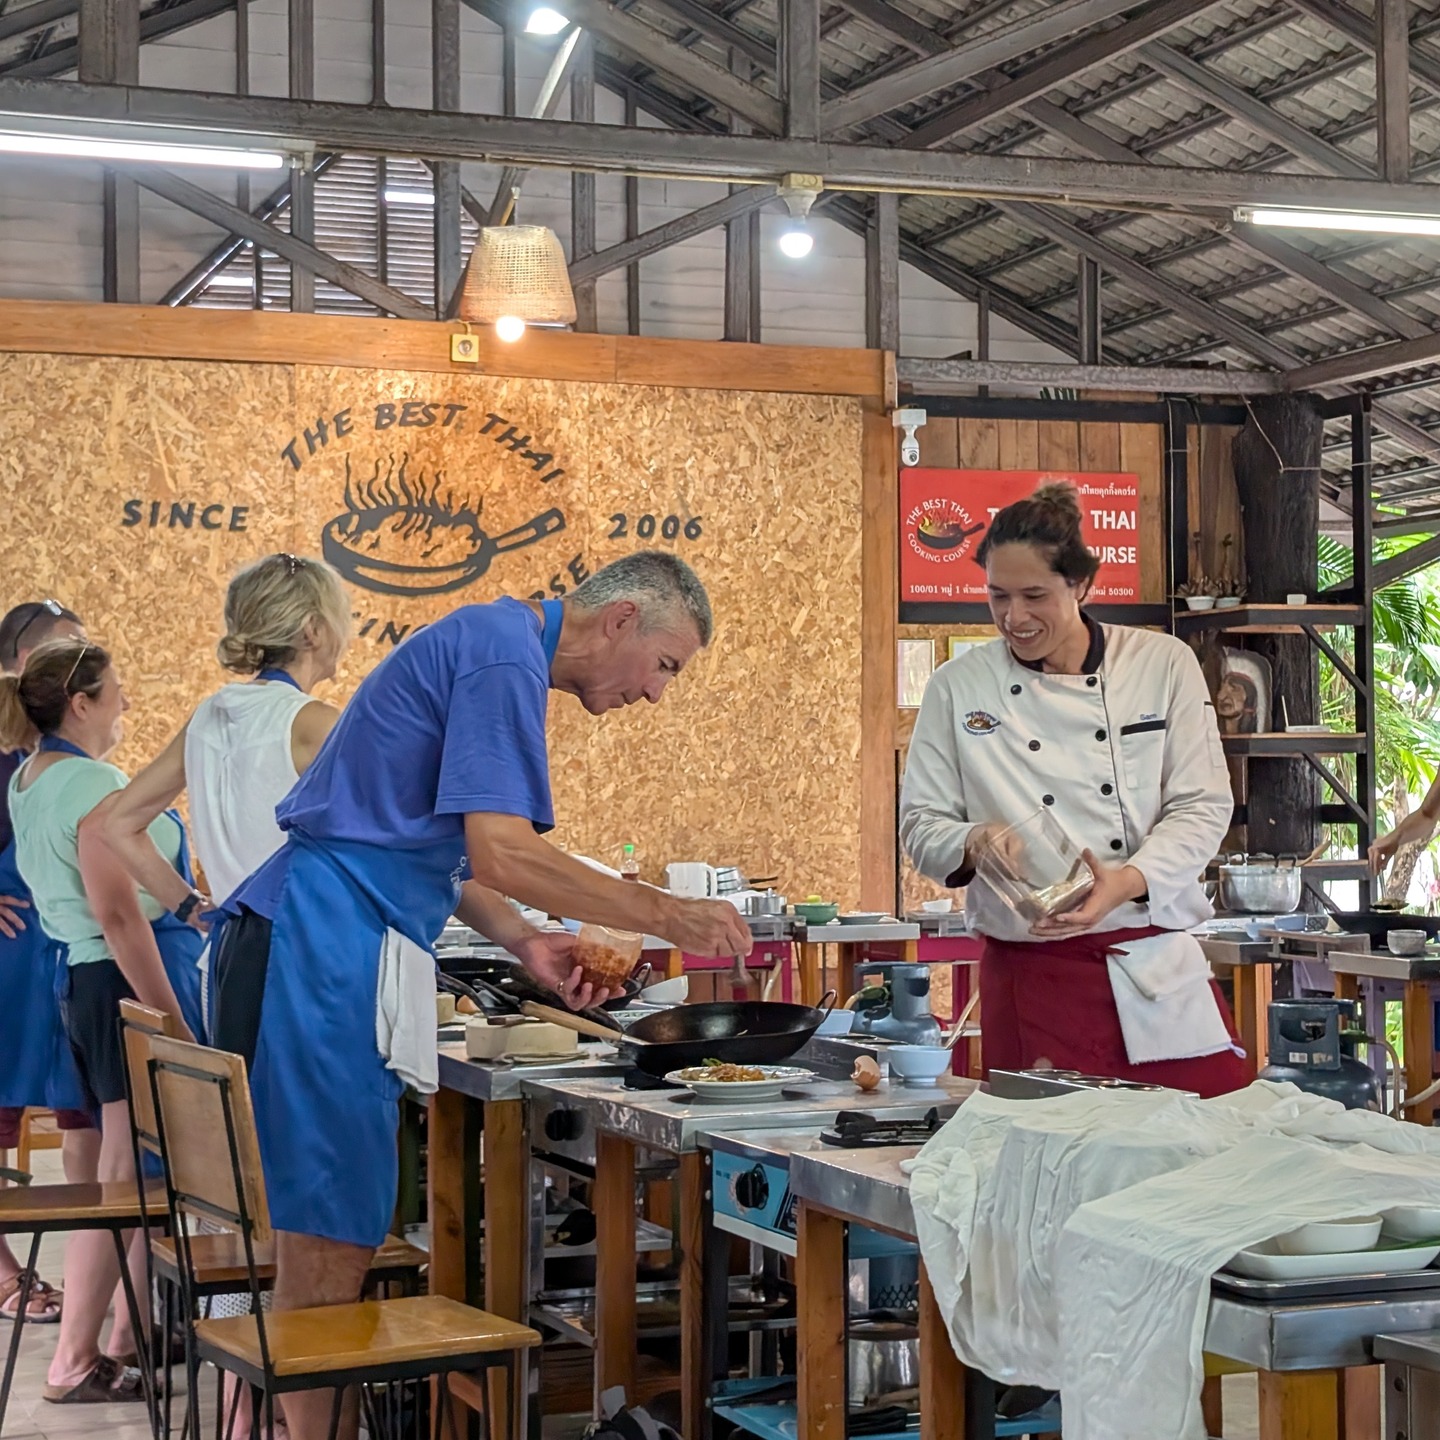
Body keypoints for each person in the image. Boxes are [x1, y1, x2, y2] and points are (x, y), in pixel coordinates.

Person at [206, 550, 753, 1440]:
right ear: (620, 621)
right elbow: (504, 852)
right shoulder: (502, 655)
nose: (657, 694)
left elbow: (437, 850)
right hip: (319, 950)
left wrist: (526, 939)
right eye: (665, 666)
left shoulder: (490, 641)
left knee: (319, 1242)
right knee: (326, 1250)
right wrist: (666, 913)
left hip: (313, 936)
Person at [900, 484, 1248, 1098]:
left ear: (1083, 586)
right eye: (997, 596)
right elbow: (921, 825)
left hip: (1154, 961)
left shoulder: (1161, 664)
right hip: (1031, 970)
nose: (1014, 617)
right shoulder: (959, 687)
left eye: (1035, 595)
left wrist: (1126, 881)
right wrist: (974, 841)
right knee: (1045, 1168)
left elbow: (1203, 805)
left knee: (1205, 1148)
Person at [0, 639, 206, 1403]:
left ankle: (126, 1333)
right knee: (122, 1178)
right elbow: (119, 915)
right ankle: (74, 1362)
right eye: (115, 691)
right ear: (80, 703)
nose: (124, 702)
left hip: (86, 981)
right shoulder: (91, 782)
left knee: (132, 1174)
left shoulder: (34, 775)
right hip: (117, 978)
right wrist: (174, 1020)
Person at [0, 600, 96, 1327]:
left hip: (60, 950)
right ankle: (2, 1272)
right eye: (64, 654)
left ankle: (96, 1266)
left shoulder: (65, 760)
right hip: (7, 955)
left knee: (81, 1109)